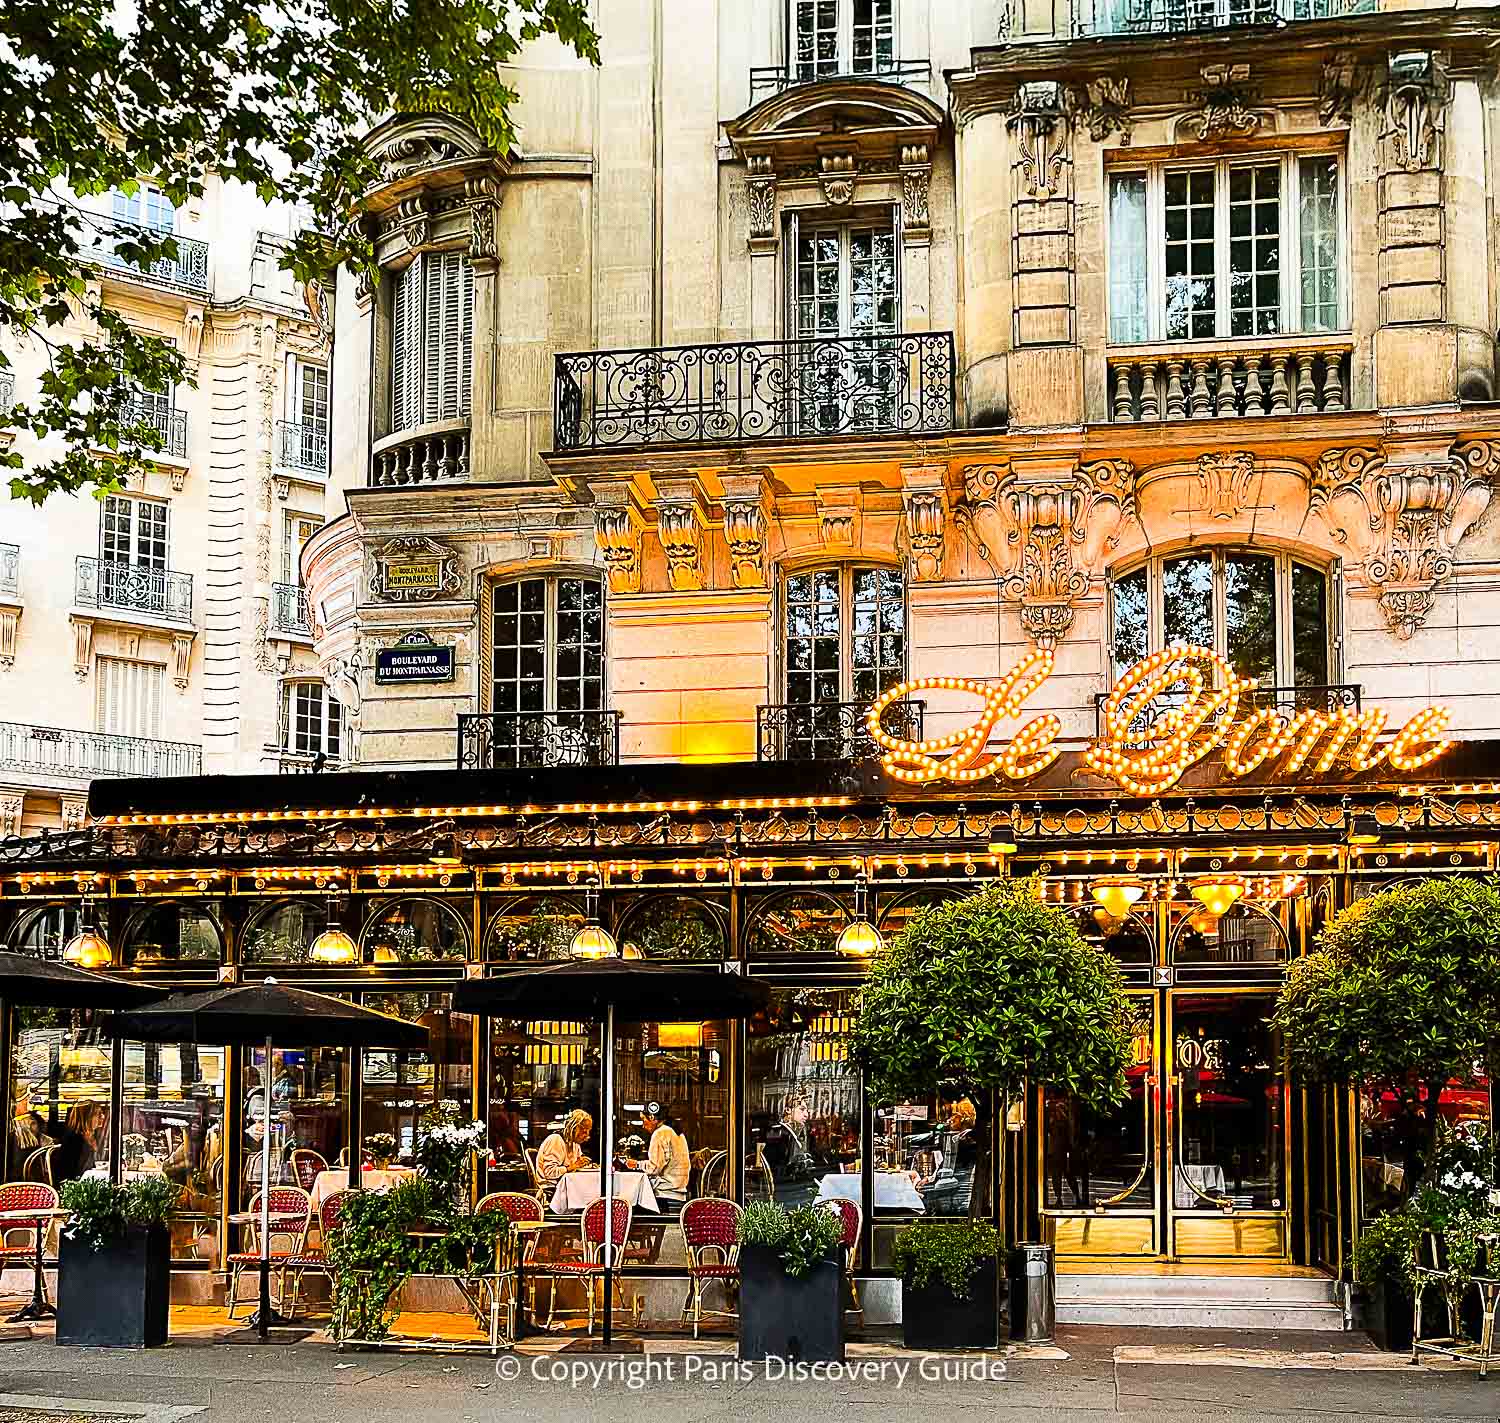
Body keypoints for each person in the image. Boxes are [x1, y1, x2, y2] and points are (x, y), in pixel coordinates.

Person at [625, 1101, 689, 1207]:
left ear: (652, 1117)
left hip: (665, 1195)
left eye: (643, 1120)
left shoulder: (660, 1133)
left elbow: (654, 1168)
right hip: (678, 1193)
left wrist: (636, 1164)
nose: (643, 1125)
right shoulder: (675, 1131)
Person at [52, 1099, 108, 1183]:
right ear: (87, 1117)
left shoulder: (94, 1136)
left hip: (91, 1180)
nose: (102, 1117)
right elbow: (68, 1173)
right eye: (98, 1114)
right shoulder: (73, 1139)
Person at [535, 1109, 592, 1185]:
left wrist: (584, 1163)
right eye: (584, 1131)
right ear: (573, 1128)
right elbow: (549, 1172)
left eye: (588, 1131)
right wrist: (572, 1167)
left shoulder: (575, 1144)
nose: (587, 1136)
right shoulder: (556, 1139)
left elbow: (577, 1165)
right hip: (551, 1187)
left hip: (566, 1184)